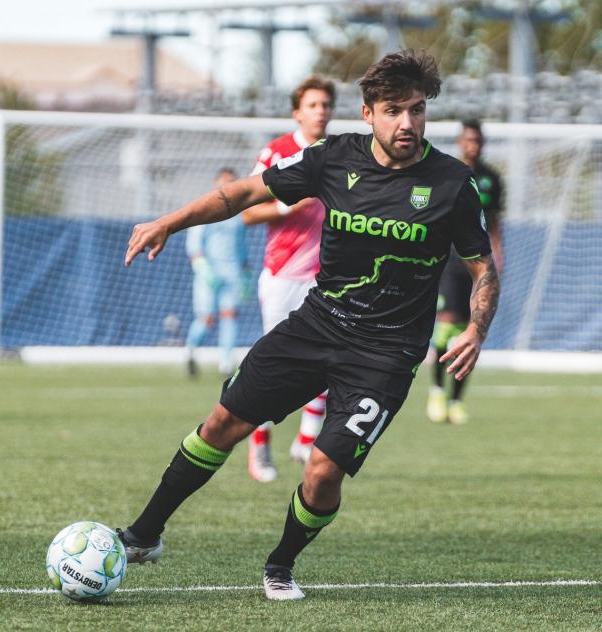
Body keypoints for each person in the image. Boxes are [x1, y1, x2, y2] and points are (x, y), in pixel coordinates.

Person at [120, 49, 500, 601]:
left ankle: (280, 565)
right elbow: (246, 194)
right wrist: (168, 222)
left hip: (387, 354)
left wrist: (476, 327)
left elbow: (481, 266)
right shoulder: (333, 158)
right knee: (221, 422)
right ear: (368, 113)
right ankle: (143, 534)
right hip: (316, 326)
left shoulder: (451, 183)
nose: (407, 123)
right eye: (394, 110)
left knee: (322, 471)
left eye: (417, 111)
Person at [242, 75, 336, 483]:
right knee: (273, 370)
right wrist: (286, 207)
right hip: (282, 275)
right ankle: (259, 448)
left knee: (332, 361)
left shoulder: (341, 154)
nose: (320, 111)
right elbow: (247, 212)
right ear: (297, 111)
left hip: (327, 278)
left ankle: (306, 439)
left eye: (326, 105)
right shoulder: (278, 153)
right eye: (312, 105)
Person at [426, 119, 503, 425]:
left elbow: (495, 221)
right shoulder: (448, 174)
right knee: (446, 325)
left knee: (469, 329)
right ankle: (435, 390)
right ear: (461, 142)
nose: (473, 145)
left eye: (478, 141)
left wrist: (498, 256)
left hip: (479, 262)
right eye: (468, 140)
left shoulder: (491, 179)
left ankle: (456, 400)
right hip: (450, 259)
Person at [185, 168, 249, 377]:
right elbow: (194, 244)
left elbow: (241, 245)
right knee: (206, 319)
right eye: (223, 183)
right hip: (209, 274)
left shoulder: (239, 215)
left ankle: (226, 363)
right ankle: (191, 352)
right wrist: (202, 268)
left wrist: (246, 269)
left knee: (230, 316)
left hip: (232, 273)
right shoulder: (206, 209)